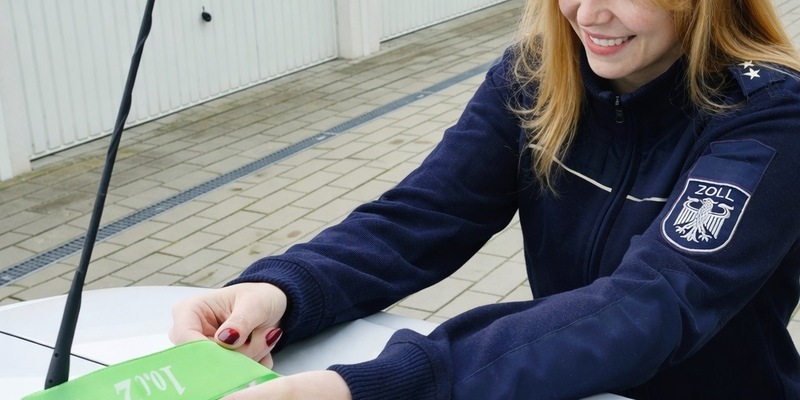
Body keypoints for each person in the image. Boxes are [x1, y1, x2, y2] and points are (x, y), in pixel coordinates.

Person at [169, 0, 800, 398]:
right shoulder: (537, 74)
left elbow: (650, 303)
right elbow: (425, 214)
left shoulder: (768, 117)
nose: (585, 14)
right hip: (554, 382)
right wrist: (282, 291)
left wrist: (381, 386)